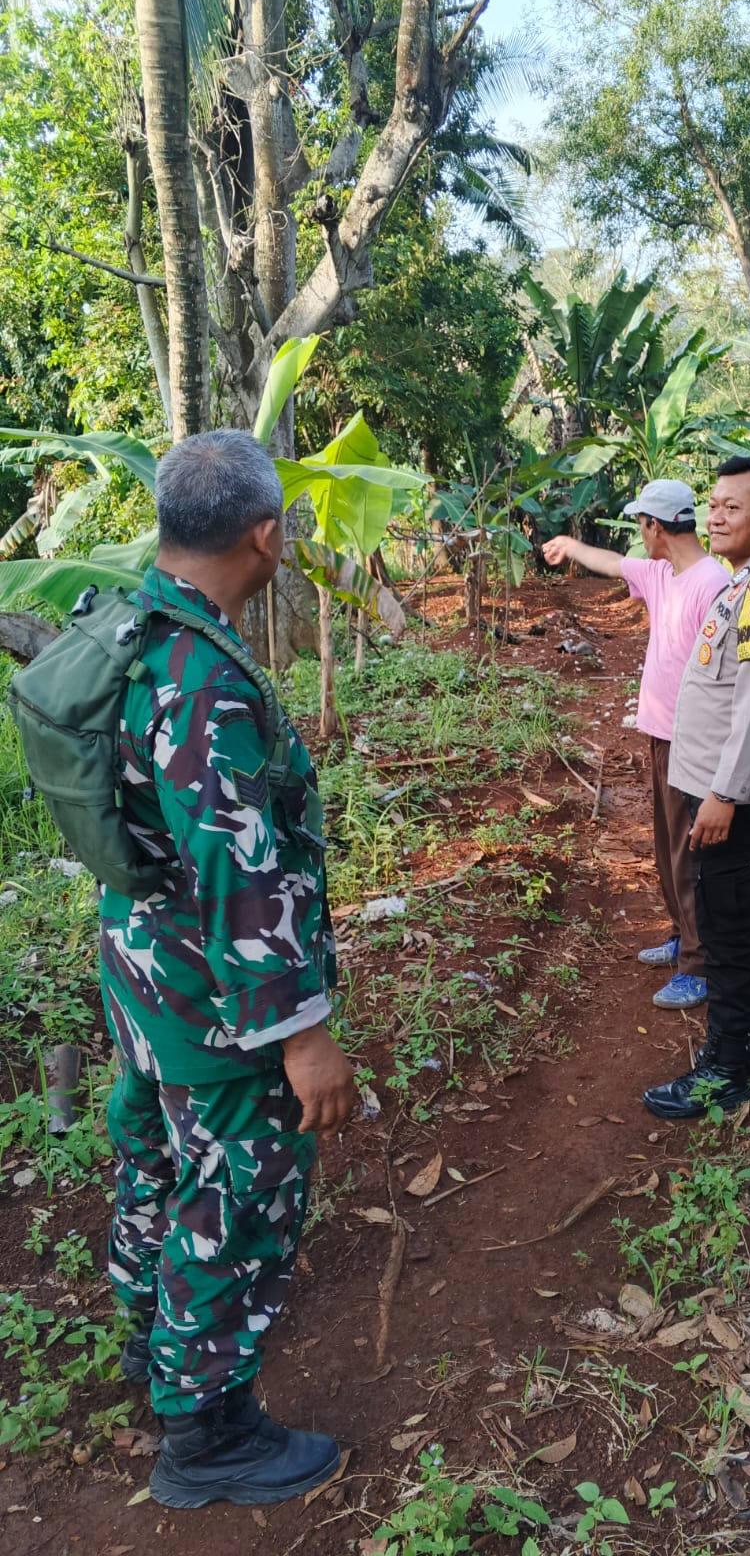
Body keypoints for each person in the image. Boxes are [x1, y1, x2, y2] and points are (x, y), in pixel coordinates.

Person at [101, 430, 357, 1507]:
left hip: (141, 959)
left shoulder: (133, 626)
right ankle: (205, 1433)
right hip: (210, 990)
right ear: (266, 535)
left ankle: (148, 1337)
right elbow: (237, 868)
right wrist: (302, 1035)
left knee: (158, 1156)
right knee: (238, 1190)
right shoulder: (203, 679)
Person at [642, 456, 750, 1119]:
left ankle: (724, 1071)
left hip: (733, 798)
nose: (714, 517)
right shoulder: (743, 585)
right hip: (725, 790)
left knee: (727, 936)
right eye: (712, 504)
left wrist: (723, 796)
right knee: (747, 925)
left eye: (732, 507)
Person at [543, 480, 728, 1007]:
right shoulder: (661, 572)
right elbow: (610, 563)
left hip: (692, 740)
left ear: (655, 526)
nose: (638, 535)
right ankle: (682, 934)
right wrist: (569, 546)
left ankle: (699, 962)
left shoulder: (712, 584)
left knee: (689, 853)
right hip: (661, 735)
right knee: (668, 845)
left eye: (640, 525)